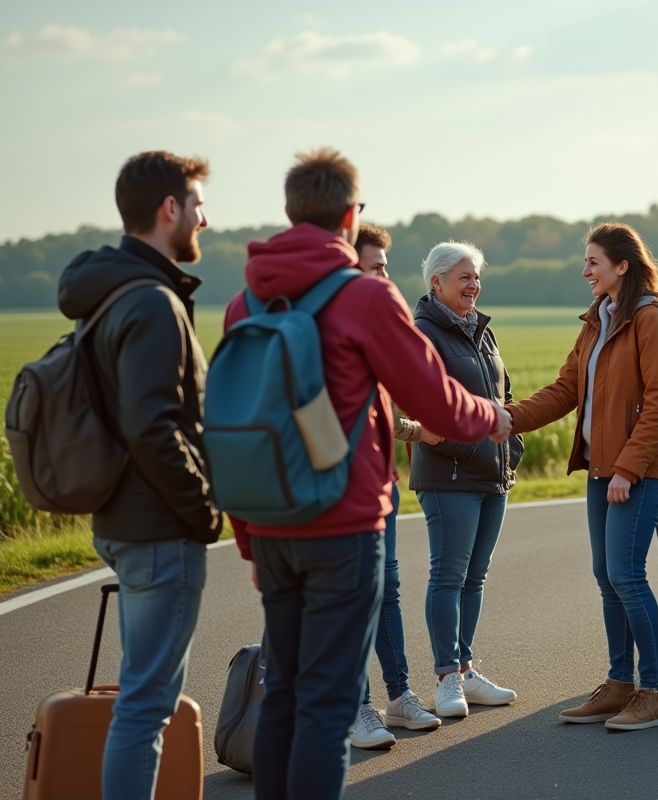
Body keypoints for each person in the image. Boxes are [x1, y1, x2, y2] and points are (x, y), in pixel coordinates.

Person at [224, 148, 512, 799]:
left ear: (291, 211)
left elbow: (242, 420)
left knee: (285, 693)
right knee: (329, 707)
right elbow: (434, 398)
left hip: (269, 519)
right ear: (350, 215)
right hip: (344, 522)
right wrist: (490, 415)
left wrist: (249, 537)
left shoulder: (247, 302)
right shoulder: (364, 296)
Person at [56, 151, 222, 799]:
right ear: (169, 208)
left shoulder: (111, 291)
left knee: (140, 698)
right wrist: (202, 510)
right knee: (146, 706)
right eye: (198, 204)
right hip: (158, 526)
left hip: (127, 517)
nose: (205, 219)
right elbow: (152, 425)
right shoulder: (151, 301)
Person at [506, 223, 658, 732]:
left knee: (626, 575)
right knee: (608, 577)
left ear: (622, 266)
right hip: (602, 469)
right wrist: (507, 418)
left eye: (593, 262)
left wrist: (628, 468)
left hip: (638, 472)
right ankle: (620, 683)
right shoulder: (597, 321)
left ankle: (653, 692)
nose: (585, 271)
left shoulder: (650, 319)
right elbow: (565, 389)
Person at [411, 241, 523, 718]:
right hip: (449, 476)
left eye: (476, 276)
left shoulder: (482, 330)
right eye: (464, 277)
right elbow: (422, 411)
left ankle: (465, 668)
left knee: (475, 578)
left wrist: (510, 446)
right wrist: (475, 448)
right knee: (449, 576)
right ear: (436, 283)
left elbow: (503, 394)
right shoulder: (423, 334)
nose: (474, 285)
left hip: (492, 475)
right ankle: (446, 679)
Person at [345, 223, 441, 749]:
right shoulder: (335, 332)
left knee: (387, 589)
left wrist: (415, 427)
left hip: (382, 484)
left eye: (386, 267)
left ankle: (399, 696)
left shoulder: (376, 327)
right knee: (355, 596)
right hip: (342, 490)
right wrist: (421, 429)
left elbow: (382, 411)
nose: (386, 276)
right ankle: (356, 707)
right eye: (376, 267)